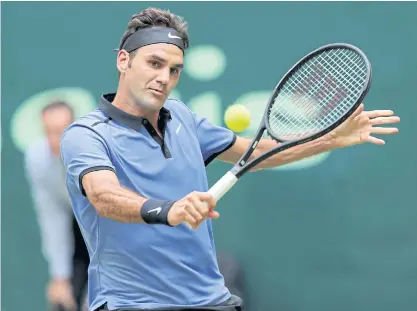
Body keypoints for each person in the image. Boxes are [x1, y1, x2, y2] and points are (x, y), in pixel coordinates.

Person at [59, 7, 400, 311]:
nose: (164, 78)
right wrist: (168, 209)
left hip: (211, 299)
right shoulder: (86, 134)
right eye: (155, 63)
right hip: (134, 303)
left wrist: (331, 139)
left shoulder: (181, 117)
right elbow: (104, 196)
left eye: (175, 69)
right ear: (123, 61)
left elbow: (260, 152)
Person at [24, 101, 90, 311]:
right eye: (50, 132)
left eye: (63, 131)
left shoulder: (96, 151)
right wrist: (60, 276)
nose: (57, 140)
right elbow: (52, 217)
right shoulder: (38, 159)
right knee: (62, 302)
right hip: (78, 227)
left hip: (122, 228)